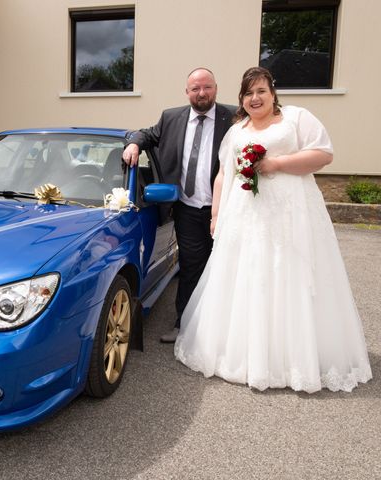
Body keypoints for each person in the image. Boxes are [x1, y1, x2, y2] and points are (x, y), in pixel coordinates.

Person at [174, 66, 372, 393]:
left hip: (291, 219)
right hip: (246, 219)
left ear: (272, 92)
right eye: (249, 93)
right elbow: (224, 175)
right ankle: (247, 356)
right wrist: (215, 216)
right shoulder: (237, 131)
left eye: (261, 91)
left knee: (289, 278)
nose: (255, 98)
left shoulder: (296, 119)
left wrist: (276, 165)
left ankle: (293, 360)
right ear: (242, 99)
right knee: (248, 279)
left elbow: (323, 154)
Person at [123, 68, 235, 343]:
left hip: (230, 210)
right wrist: (134, 144)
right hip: (188, 210)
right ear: (187, 92)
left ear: (216, 88)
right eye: (195, 88)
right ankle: (184, 324)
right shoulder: (171, 117)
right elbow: (147, 134)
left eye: (206, 87)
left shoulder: (234, 117)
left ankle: (226, 330)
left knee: (228, 268)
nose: (201, 93)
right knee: (191, 268)